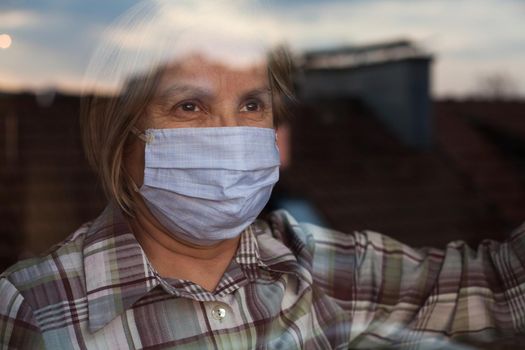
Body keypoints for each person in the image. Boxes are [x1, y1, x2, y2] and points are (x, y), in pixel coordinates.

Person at [1, 1, 525, 349]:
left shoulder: (324, 269)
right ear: (122, 136)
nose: (231, 132)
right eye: (189, 106)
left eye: (253, 104)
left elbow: (501, 285)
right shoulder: (36, 310)